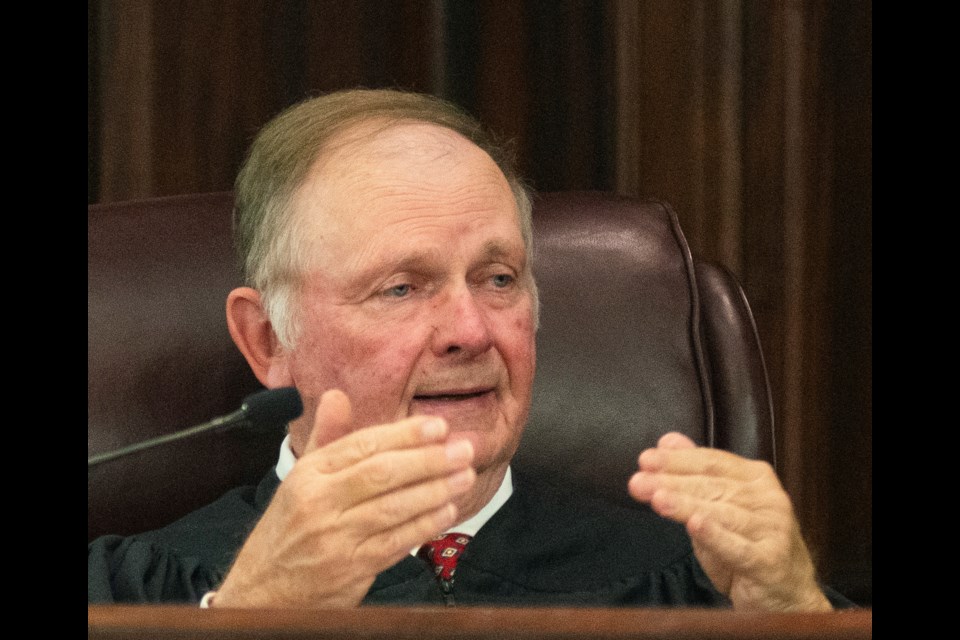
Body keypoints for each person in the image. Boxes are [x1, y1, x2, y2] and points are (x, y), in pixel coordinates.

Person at [88, 88, 849, 610]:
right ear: (268, 340)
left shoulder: (687, 581)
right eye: (401, 288)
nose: (471, 330)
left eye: (497, 278)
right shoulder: (131, 589)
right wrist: (250, 616)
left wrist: (797, 615)